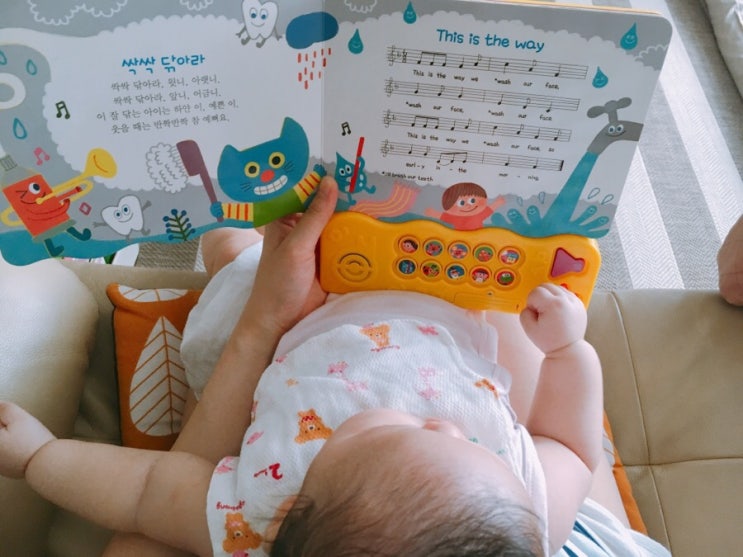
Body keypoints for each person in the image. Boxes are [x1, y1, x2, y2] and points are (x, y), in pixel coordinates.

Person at [0, 178, 670, 557]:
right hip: (442, 315)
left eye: (399, 433)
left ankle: (222, 239)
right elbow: (569, 445)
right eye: (466, 443)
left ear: (294, 503)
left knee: (234, 251)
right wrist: (568, 351)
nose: (443, 423)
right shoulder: (527, 513)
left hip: (294, 330)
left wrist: (39, 458)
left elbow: (146, 490)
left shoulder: (255, 512)